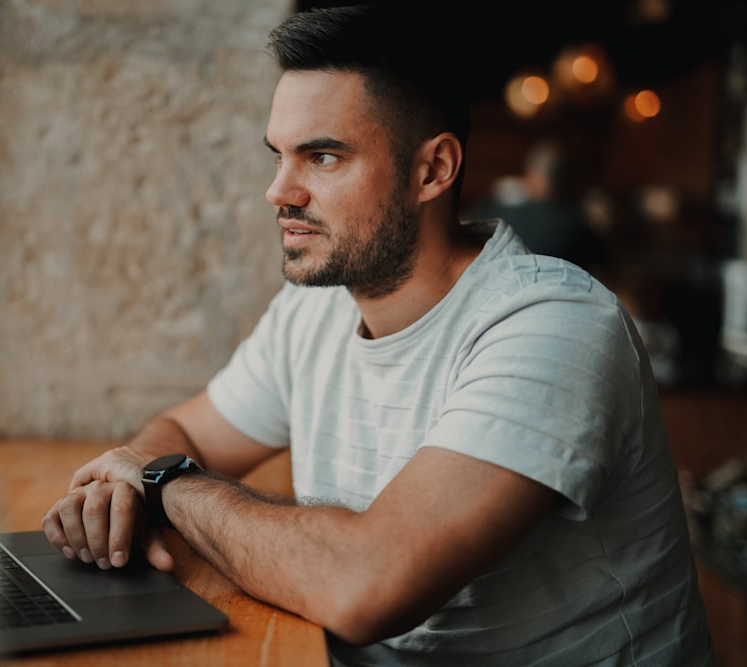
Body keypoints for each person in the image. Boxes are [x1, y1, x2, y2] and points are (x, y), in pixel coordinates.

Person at [43, 5, 715, 665]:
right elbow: (183, 433)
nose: (279, 190)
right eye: (277, 156)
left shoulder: (553, 325)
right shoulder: (312, 312)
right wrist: (126, 487)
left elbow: (365, 585)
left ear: (432, 170)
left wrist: (165, 482)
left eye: (323, 157)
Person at [466, 138, 609, 274]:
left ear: (529, 172)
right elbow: (602, 261)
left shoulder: (493, 209)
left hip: (494, 290)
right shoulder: (574, 223)